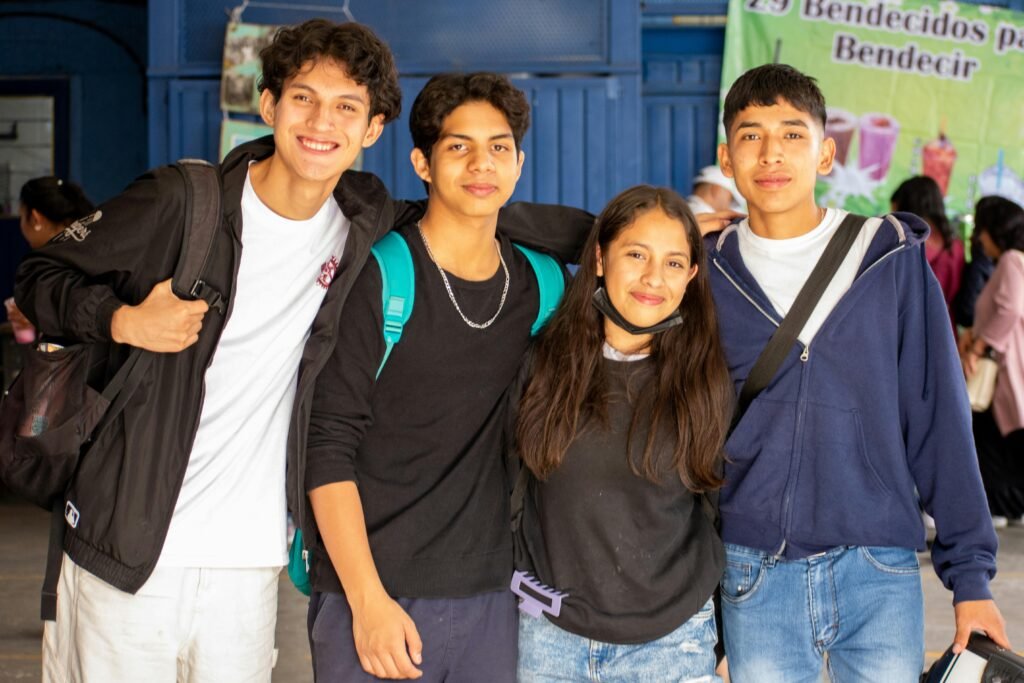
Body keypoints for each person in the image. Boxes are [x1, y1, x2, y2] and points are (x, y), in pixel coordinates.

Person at [14, 21, 569, 683]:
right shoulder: (185, 201)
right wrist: (124, 319)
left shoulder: (363, 222)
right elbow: (39, 276)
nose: (321, 123)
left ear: (373, 129)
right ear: (269, 104)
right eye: (304, 98)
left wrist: (624, 235)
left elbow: (475, 209)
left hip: (248, 561)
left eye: (346, 107)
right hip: (128, 545)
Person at [710, 63, 1007, 681]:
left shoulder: (888, 258)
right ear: (726, 158)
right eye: (751, 135)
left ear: (825, 154)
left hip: (878, 566)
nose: (771, 153)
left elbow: (938, 418)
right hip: (751, 568)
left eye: (792, 134)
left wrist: (970, 576)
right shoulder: (704, 274)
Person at [304, 72, 570, 682]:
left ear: (519, 163)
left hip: (492, 597)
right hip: (372, 596)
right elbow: (327, 445)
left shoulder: (543, 285)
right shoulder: (378, 276)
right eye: (458, 146)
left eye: (498, 147)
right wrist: (368, 602)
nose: (482, 164)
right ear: (422, 163)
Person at [510, 185, 732, 682]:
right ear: (599, 258)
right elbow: (489, 221)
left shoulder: (705, 381)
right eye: (636, 254)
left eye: (674, 262)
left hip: (672, 646)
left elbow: (721, 515)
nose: (654, 277)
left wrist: (726, 638)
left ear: (691, 276)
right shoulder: (545, 364)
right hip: (550, 641)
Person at [959, 199, 1024, 527]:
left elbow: (1011, 309)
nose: (978, 238)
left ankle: (999, 507)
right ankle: (1004, 506)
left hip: (1007, 367)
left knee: (995, 437)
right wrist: (974, 333)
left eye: (981, 229)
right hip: (1006, 365)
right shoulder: (1012, 261)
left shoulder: (1011, 260)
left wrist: (978, 348)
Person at [5, 177, 95, 343]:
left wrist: (36, 315)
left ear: (35, 218)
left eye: (22, 216)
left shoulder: (50, 264)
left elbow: (83, 314)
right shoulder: (90, 247)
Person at [890, 175, 964, 329]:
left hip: (909, 326)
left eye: (895, 211)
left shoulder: (906, 243)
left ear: (906, 209)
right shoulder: (955, 245)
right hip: (944, 327)